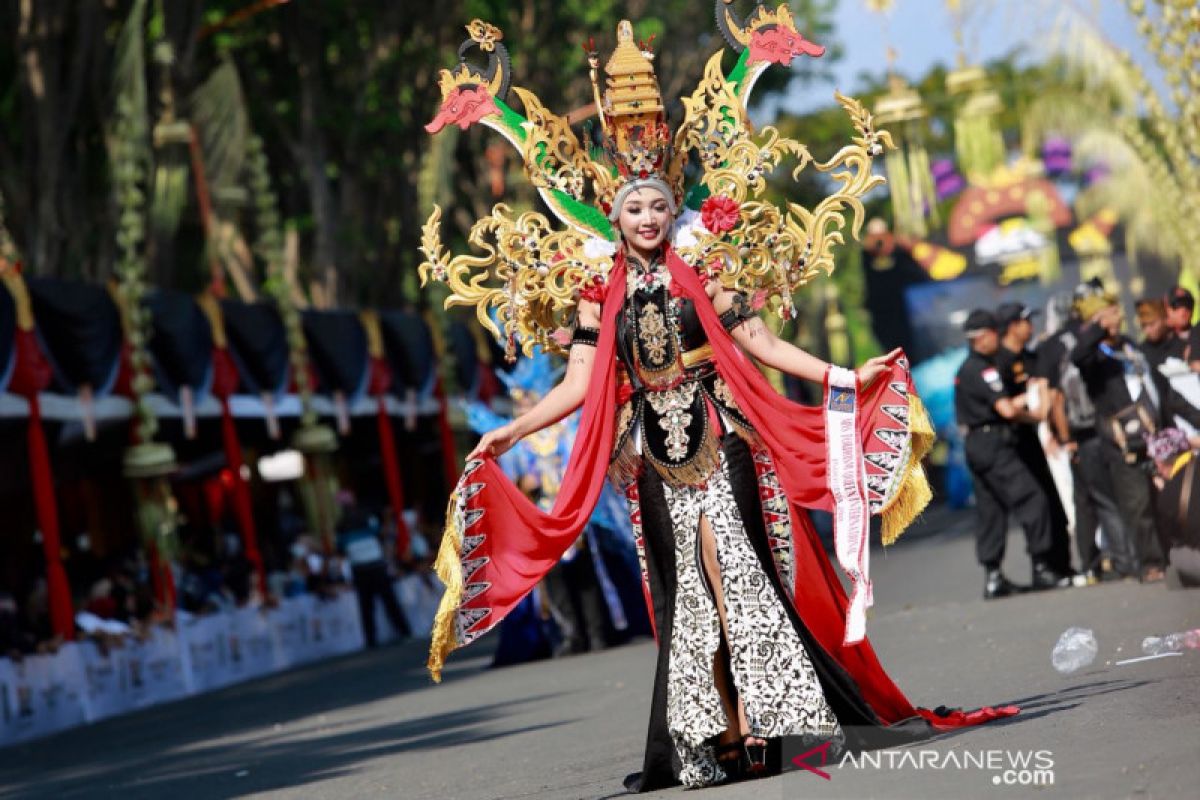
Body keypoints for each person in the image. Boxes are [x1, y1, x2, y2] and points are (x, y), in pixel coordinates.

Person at [421, 16, 1015, 792]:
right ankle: (714, 741)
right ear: (618, 216)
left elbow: (764, 347)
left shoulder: (711, 269)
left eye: (658, 209)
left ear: (672, 213)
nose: (646, 219)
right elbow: (575, 385)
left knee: (737, 574)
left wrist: (846, 376)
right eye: (634, 210)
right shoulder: (597, 297)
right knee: (686, 600)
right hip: (650, 455)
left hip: (721, 433)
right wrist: (509, 431)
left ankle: (779, 733)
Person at [1070, 287, 1200, 582]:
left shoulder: (1129, 346)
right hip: (1123, 440)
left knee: (1167, 497)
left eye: (1116, 313)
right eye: (1111, 314)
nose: (1118, 318)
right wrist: (1098, 326)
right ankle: (1151, 563)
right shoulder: (1094, 355)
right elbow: (1078, 355)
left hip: (1156, 435)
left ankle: (1175, 557)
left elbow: (1162, 392)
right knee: (1137, 503)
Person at [954, 310, 1067, 598]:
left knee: (991, 510)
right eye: (994, 333)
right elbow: (1005, 409)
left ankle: (994, 577)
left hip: (977, 445)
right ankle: (1042, 567)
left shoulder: (965, 370)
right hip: (994, 445)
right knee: (1033, 498)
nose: (998, 338)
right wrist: (1031, 407)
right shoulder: (983, 369)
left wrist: (1029, 411)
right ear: (982, 337)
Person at [1037, 295, 1131, 583]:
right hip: (1089, 434)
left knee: (1090, 500)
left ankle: (1098, 562)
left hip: (1088, 434)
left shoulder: (1091, 344)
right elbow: (1056, 399)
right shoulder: (1076, 349)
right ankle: (1117, 561)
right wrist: (1065, 438)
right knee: (1101, 500)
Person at [994, 301, 1073, 577]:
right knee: (1034, 505)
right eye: (1026, 321)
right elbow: (1002, 407)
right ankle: (1043, 566)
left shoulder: (1032, 358)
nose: (1031, 326)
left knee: (1055, 503)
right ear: (1013, 326)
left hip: (1041, 440)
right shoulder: (998, 362)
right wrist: (1028, 401)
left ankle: (1063, 565)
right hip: (1015, 447)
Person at [335, 495, 411, 647]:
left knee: (366, 606)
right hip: (375, 565)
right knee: (389, 601)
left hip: (360, 568)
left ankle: (371, 639)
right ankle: (403, 631)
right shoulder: (366, 516)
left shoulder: (340, 525)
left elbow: (339, 547)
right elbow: (380, 533)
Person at [1148, 429, 1200, 588]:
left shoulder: (1168, 496)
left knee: (1175, 556)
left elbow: (1173, 538)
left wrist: (1164, 491)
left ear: (1160, 462)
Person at [1136, 297, 1187, 372]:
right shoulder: (1141, 351)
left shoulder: (1182, 346)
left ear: (1164, 319)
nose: (1147, 330)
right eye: (1144, 325)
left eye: (1152, 324)